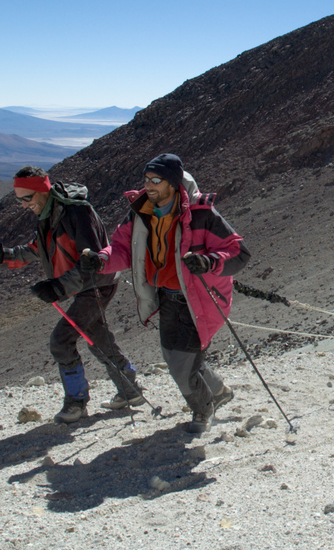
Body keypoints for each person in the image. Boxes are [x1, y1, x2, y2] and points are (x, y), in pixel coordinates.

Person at [80, 153, 251, 434]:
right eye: (146, 179)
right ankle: (218, 392)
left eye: (156, 180)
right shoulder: (140, 212)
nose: (149, 185)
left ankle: (202, 409)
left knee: (181, 364)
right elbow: (121, 248)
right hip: (166, 296)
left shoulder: (200, 213)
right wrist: (101, 259)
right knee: (176, 356)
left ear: (172, 183)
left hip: (198, 299)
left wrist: (209, 262)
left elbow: (238, 251)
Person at [0, 166, 142, 424]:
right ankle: (130, 391)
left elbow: (90, 261)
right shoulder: (48, 212)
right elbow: (39, 248)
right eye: (19, 200)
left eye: (27, 198)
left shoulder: (75, 212)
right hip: (83, 287)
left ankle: (76, 403)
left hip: (96, 284)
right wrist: (6, 255)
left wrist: (58, 288)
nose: (24, 205)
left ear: (41, 190)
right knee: (99, 340)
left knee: (61, 341)